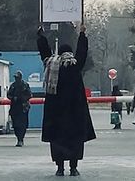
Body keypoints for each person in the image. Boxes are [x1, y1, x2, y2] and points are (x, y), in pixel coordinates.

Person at [37, 24, 96, 177]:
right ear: (70, 52)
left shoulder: (51, 64)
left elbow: (44, 52)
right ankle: (74, 168)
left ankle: (60, 168)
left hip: (56, 115)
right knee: (75, 140)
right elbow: (82, 52)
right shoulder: (75, 65)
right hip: (75, 113)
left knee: (58, 141)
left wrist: (41, 36)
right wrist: (82, 35)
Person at [7, 70, 32, 147]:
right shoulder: (13, 85)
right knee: (15, 124)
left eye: (17, 77)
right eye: (15, 77)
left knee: (22, 125)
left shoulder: (25, 85)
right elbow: (8, 95)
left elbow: (30, 95)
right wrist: (13, 98)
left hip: (23, 107)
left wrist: (22, 98)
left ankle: (21, 139)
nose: (16, 79)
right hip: (15, 107)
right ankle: (18, 138)